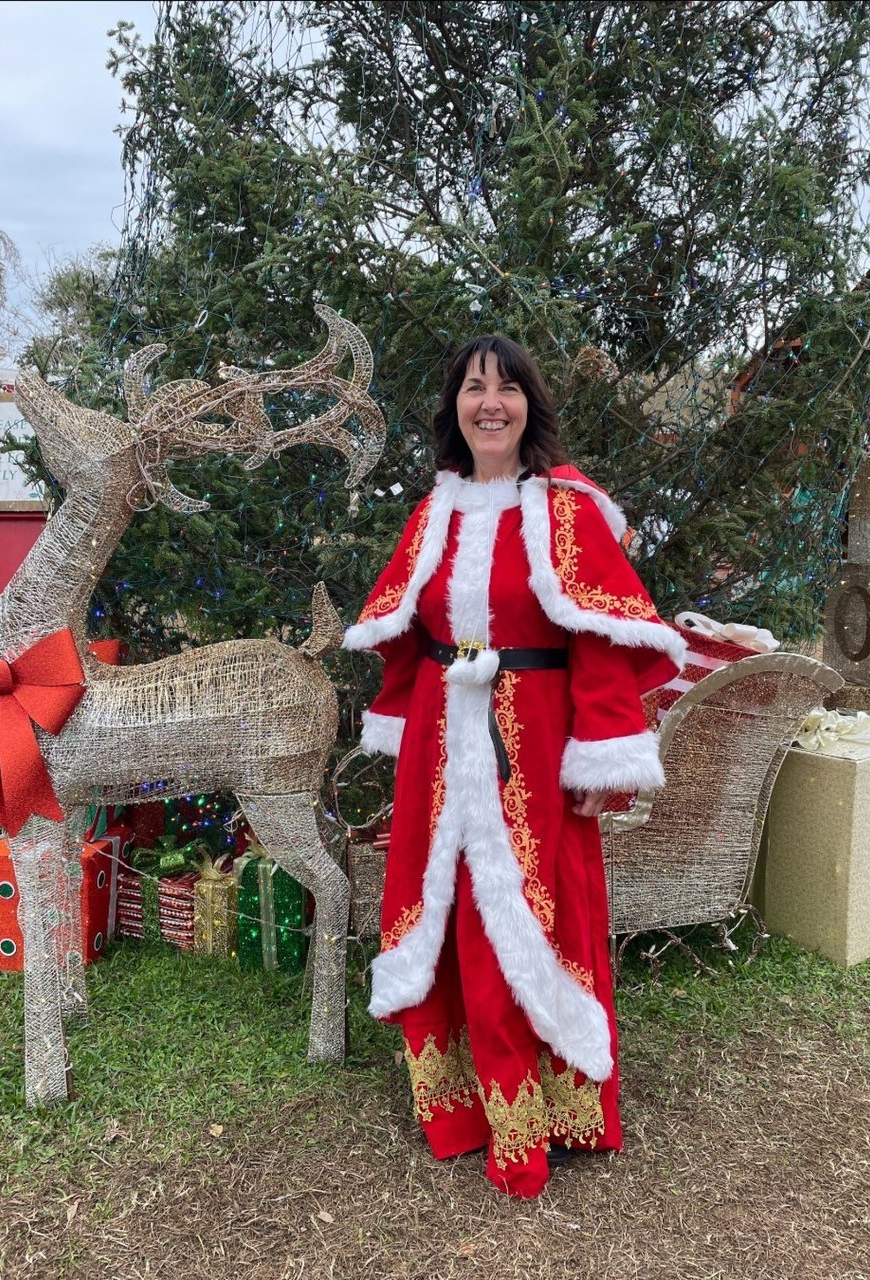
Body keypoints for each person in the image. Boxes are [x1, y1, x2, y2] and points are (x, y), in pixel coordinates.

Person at [342, 336, 686, 1198]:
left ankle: (534, 1122)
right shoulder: (431, 515)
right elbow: (398, 636)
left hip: (533, 739)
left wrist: (596, 749)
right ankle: (461, 1110)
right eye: (472, 388)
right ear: (454, 409)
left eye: (506, 389)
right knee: (444, 909)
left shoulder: (566, 512)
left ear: (529, 405)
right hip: (438, 741)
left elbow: (607, 644)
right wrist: (404, 720)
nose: (489, 403)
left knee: (535, 912)